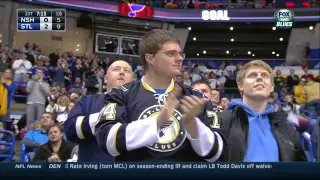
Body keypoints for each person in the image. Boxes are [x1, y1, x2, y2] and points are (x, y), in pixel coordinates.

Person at [95, 29, 224, 162]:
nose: (180, 58)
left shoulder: (197, 98)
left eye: (180, 53)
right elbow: (106, 141)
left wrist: (193, 125)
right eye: (171, 53)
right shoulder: (120, 94)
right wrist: (158, 122)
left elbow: (217, 153)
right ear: (150, 58)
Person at [216, 60, 306, 162]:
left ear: (272, 86)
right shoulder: (220, 121)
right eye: (252, 75)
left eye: (264, 75)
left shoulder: (287, 127)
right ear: (240, 86)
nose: (259, 78)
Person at [64, 60, 134, 161]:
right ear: (105, 78)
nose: (122, 72)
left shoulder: (142, 105)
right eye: (116, 69)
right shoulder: (87, 101)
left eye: (127, 71)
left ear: (133, 80)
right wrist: (102, 118)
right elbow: (69, 129)